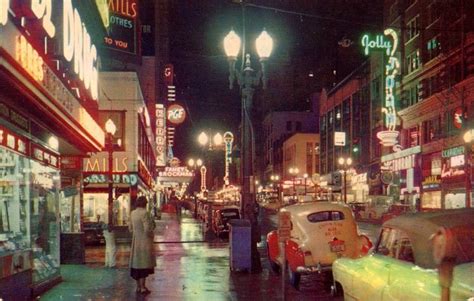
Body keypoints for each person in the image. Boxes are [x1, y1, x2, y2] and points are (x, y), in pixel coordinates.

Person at [129, 196, 156, 294]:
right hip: (144, 241)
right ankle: (143, 287)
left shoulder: (133, 213)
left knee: (136, 265)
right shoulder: (145, 213)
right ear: (145, 203)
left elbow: (130, 228)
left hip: (136, 241)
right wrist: (151, 234)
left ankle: (138, 287)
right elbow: (147, 228)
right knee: (144, 264)